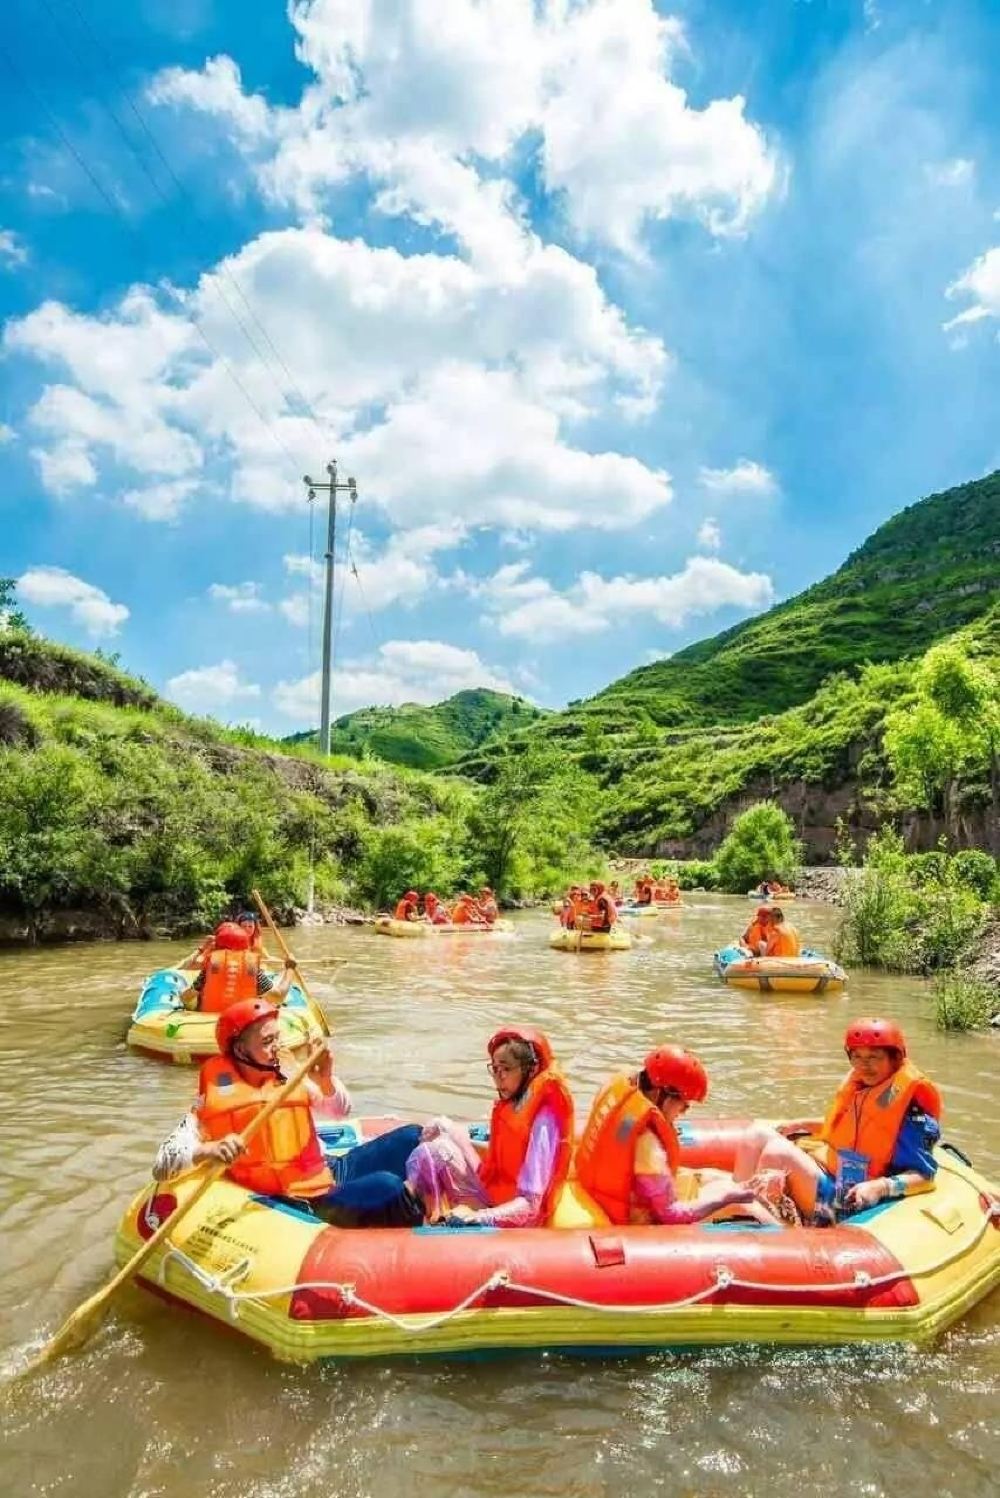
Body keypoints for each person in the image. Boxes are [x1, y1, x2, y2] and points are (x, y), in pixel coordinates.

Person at [152, 998, 425, 1228]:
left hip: (326, 1171)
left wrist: (326, 1080)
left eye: (277, 1037)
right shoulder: (214, 1096)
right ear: (240, 1049)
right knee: (389, 1186)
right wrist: (209, 1149)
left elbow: (339, 1110)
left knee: (411, 1137)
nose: (276, 1047)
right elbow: (163, 1163)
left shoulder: (285, 1072)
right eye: (267, 1041)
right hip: (299, 1199)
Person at [729, 1018, 942, 1223]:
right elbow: (852, 1129)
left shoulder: (911, 1112)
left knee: (778, 1153)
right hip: (831, 1174)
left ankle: (766, 1227)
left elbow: (925, 1176)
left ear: (895, 1059)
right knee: (757, 1133)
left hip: (850, 1197)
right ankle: (739, 1205)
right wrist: (802, 1124)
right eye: (857, 1057)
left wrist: (879, 1187)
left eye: (874, 1057)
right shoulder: (864, 1088)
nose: (863, 1065)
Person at [575, 1046, 775, 1227]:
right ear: (663, 1094)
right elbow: (671, 1215)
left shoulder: (623, 1094)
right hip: (638, 1219)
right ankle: (793, 1238)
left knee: (716, 1177)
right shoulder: (646, 1145)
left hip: (613, 1193)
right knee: (751, 1211)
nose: (685, 1111)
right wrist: (726, 1198)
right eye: (685, 1105)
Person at [407, 1026, 574, 1228]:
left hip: (517, 1216)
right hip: (496, 1194)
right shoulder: (516, 1103)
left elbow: (531, 1204)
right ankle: (427, 1219)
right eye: (495, 1068)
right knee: (433, 1150)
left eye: (506, 1068)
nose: (498, 1077)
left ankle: (431, 1230)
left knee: (436, 1149)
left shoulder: (544, 1120)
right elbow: (499, 1161)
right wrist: (451, 1130)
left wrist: (480, 1216)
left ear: (531, 1069)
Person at [181, 923, 297, 1014]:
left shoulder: (212, 965)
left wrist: (185, 1004)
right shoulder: (251, 967)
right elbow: (278, 996)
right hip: (243, 1019)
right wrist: (290, 969)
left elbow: (187, 997)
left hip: (209, 1018)